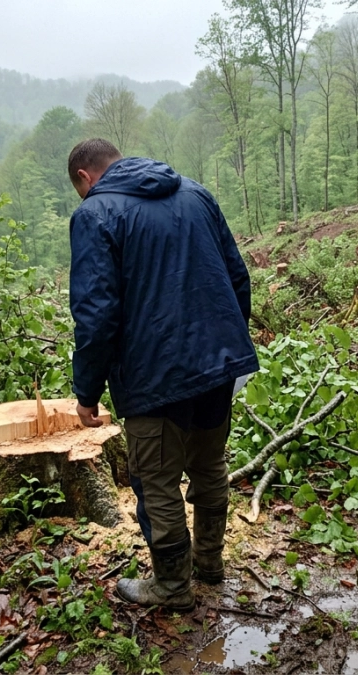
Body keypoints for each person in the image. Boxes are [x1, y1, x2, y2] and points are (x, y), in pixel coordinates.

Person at [66, 138, 259, 610]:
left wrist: (87, 390)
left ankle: (173, 586)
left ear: (85, 178)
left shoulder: (95, 214)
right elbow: (238, 277)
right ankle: (210, 563)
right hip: (217, 363)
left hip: (154, 374)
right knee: (210, 465)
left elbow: (95, 314)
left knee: (157, 480)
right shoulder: (195, 194)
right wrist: (227, 344)